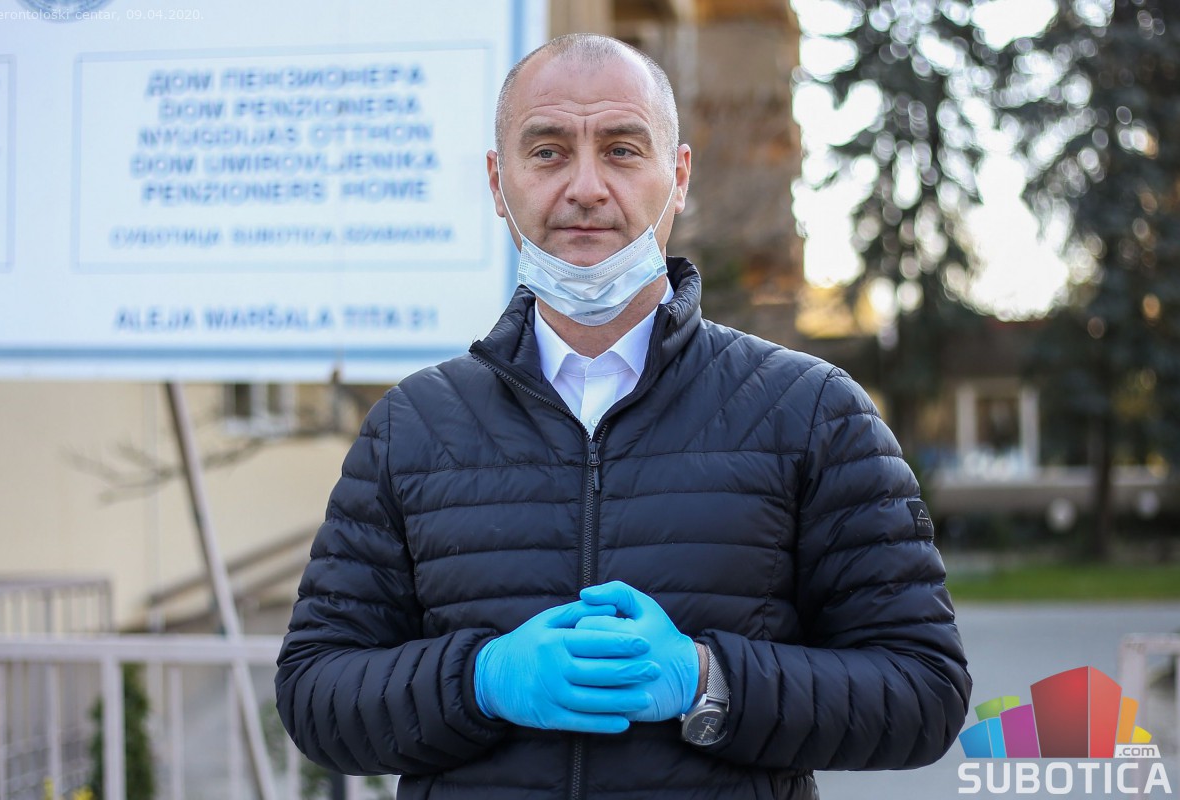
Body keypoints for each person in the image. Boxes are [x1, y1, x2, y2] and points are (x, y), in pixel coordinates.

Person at [276, 33, 970, 800]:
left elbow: (922, 692)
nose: (584, 187)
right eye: (547, 152)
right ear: (497, 183)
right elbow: (314, 695)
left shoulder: (810, 412)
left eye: (621, 150)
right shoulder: (413, 427)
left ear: (678, 177)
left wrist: (707, 680)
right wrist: (479, 680)